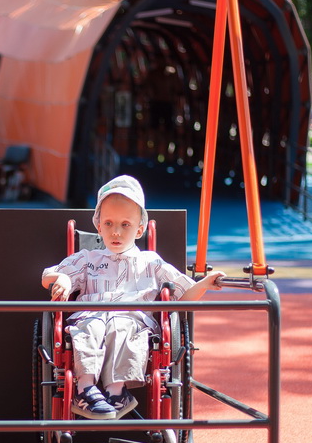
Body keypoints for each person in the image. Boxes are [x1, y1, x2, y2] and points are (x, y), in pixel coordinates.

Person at [41, 175, 225, 419]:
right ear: (98, 226)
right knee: (92, 326)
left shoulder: (150, 261)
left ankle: (116, 391)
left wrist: (204, 284)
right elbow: (47, 276)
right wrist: (63, 278)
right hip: (91, 315)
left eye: (125, 225)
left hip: (132, 321)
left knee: (122, 326)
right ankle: (85, 389)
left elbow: (184, 294)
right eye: (108, 223)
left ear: (139, 230)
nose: (116, 231)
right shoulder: (87, 258)